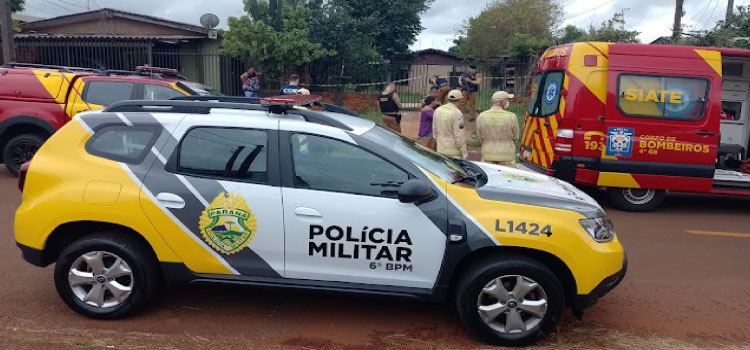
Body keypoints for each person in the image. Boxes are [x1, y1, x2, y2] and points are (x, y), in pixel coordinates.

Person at [476, 91, 520, 166]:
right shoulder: (511, 116)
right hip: (506, 154)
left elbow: (480, 137)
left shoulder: (482, 116)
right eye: (507, 100)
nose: (508, 102)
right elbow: (516, 137)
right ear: (502, 102)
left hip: (488, 153)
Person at [432, 89, 468, 159]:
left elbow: (434, 129)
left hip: (440, 148)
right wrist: (464, 153)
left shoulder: (438, 110)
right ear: (460, 100)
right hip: (453, 151)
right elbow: (459, 135)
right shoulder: (457, 113)